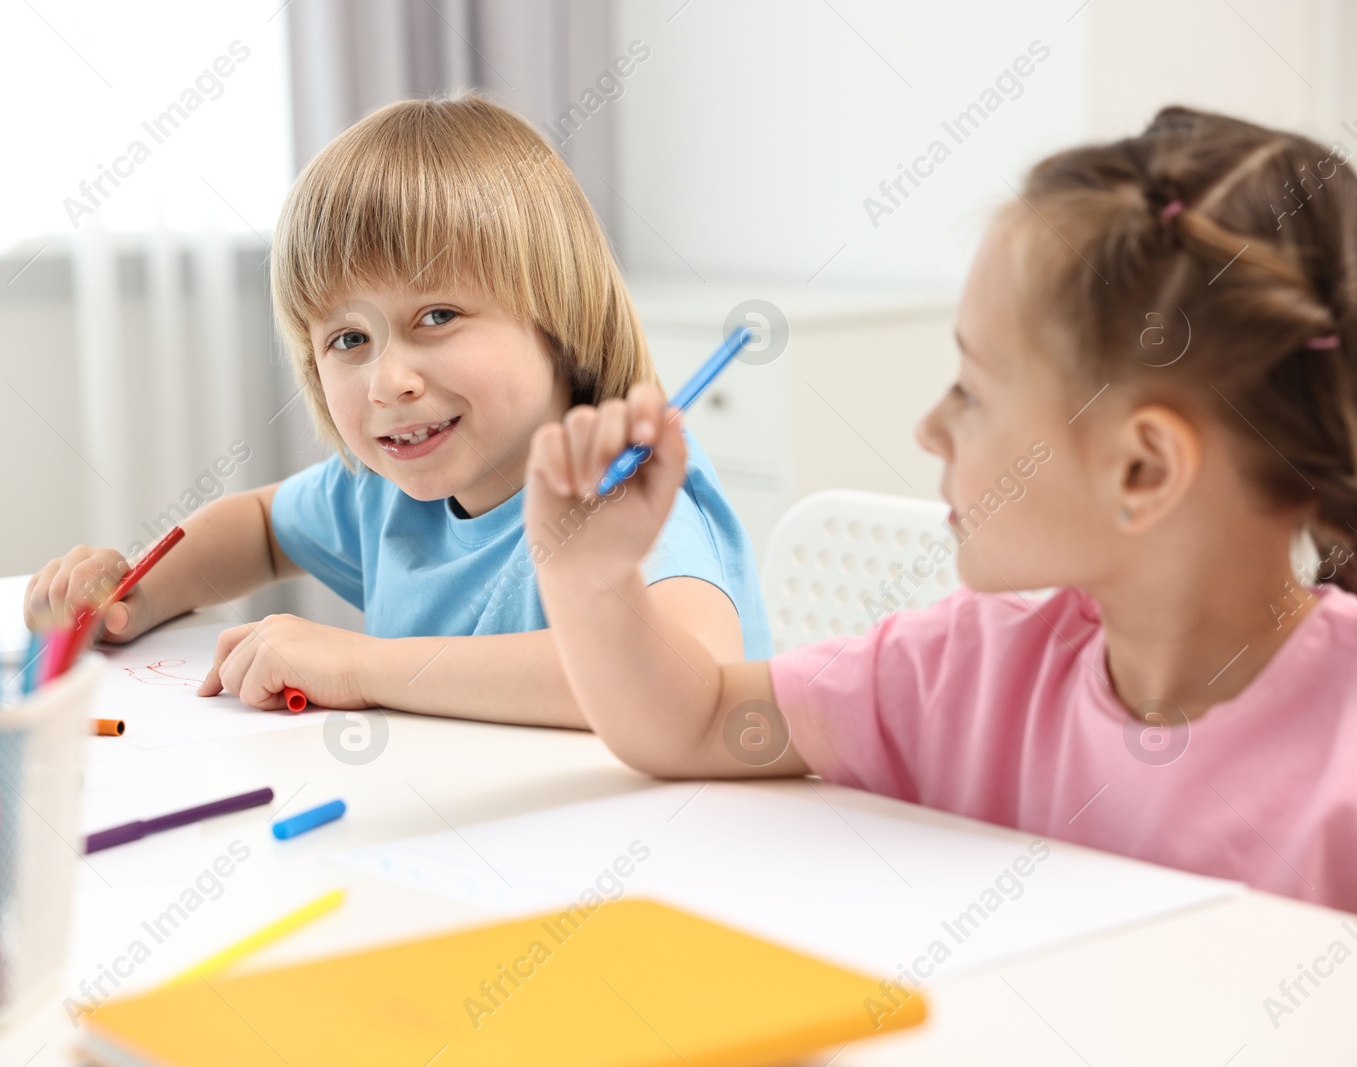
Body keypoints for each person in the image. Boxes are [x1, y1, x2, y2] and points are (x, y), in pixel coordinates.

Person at [528, 106, 1357, 908]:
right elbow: (697, 719)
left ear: (1141, 468)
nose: (928, 428)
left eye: (971, 389)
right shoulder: (966, 677)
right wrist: (589, 578)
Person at [24, 93, 769, 727]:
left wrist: (366, 667)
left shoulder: (631, 492)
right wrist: (132, 598)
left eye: (438, 316)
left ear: (558, 317)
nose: (388, 380)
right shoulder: (382, 491)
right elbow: (256, 528)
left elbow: (691, 672)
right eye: (349, 338)